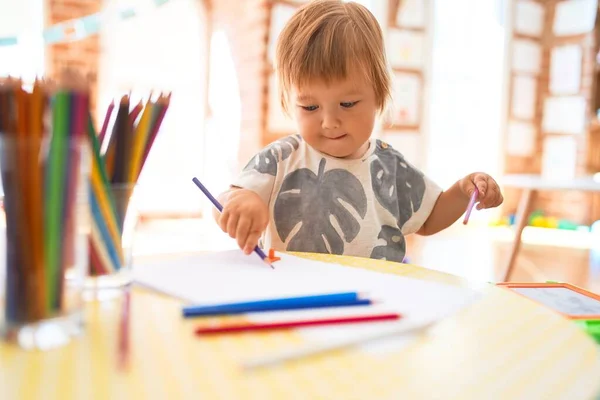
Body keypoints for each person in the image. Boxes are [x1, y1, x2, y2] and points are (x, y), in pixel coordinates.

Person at [213, 0, 503, 263]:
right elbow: (223, 202)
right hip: (295, 298)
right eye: (310, 107)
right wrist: (239, 202)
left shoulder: (390, 166)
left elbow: (429, 218)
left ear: (379, 95)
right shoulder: (281, 158)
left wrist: (463, 191)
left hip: (376, 299)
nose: (329, 122)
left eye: (347, 103)